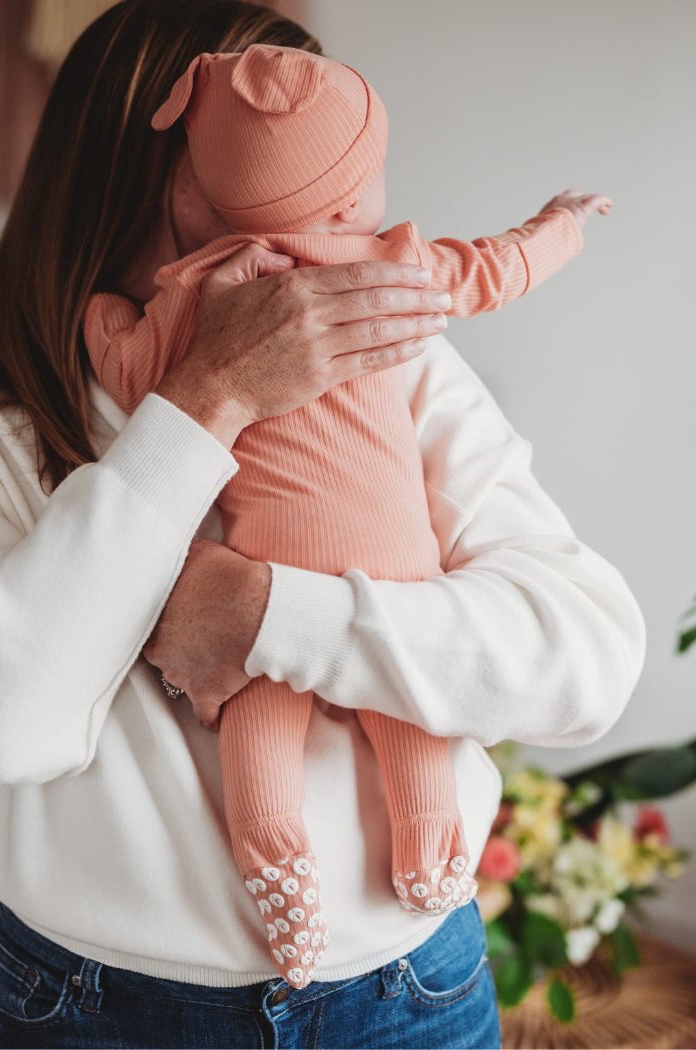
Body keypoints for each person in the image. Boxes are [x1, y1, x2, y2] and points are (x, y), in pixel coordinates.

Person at [0, 1, 644, 1046]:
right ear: (154, 170)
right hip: (90, 1015)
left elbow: (583, 660)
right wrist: (208, 395)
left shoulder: (383, 352)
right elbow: (5, 717)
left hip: (412, 997)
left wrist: (260, 614)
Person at [82, 41, 613, 990]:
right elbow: (497, 269)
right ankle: (431, 845)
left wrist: (98, 321)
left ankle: (275, 865)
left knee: (256, 731)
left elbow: (127, 371)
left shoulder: (203, 295)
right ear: (354, 191)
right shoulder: (389, 272)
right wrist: (563, 225)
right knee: (412, 722)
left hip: (270, 563)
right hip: (401, 564)